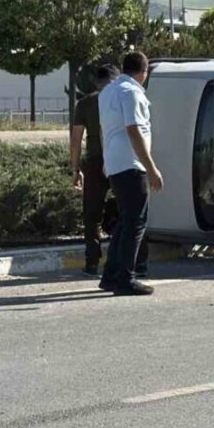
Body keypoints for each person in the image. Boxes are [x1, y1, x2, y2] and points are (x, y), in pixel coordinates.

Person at [71, 64, 148, 277]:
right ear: (116, 79)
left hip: (94, 163)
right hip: (121, 160)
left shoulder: (85, 103)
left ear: (96, 82)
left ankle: (92, 263)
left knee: (92, 214)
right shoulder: (121, 96)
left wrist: (75, 169)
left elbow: (76, 139)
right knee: (131, 213)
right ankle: (138, 262)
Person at [98, 52, 163, 296]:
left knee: (125, 221)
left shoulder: (108, 92)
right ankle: (126, 278)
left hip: (115, 163)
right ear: (144, 73)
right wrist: (152, 167)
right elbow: (133, 130)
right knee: (136, 222)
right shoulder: (133, 93)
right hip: (132, 164)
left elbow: (108, 129)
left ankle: (111, 276)